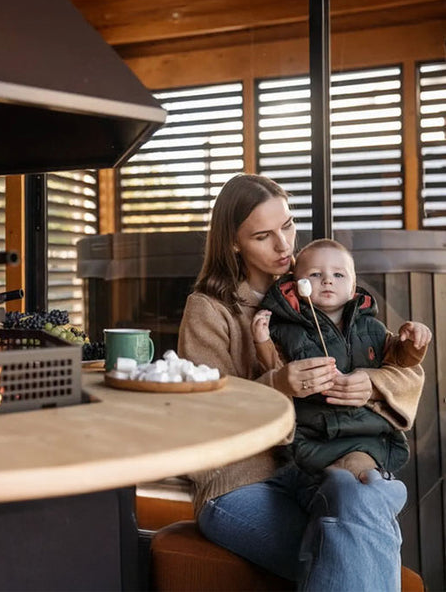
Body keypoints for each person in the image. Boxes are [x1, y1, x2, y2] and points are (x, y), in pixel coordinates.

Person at [177, 173, 425, 591]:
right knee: (361, 539)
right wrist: (277, 385)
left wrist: (372, 382)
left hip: (313, 473)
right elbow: (203, 412)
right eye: (263, 236)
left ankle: (370, 499)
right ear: (234, 242)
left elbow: (398, 363)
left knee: (357, 514)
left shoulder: (317, 284)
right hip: (239, 485)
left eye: (288, 225)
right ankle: (378, 498)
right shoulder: (208, 310)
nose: (283, 245)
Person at [251, 238, 431, 481]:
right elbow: (278, 371)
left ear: (353, 286)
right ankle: (378, 493)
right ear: (295, 286)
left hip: (365, 433)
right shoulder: (285, 331)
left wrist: (411, 344)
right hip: (314, 434)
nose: (327, 280)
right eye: (315, 274)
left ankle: (372, 490)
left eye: (338, 275)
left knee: (357, 474)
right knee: (339, 483)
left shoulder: (372, 328)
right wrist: (262, 342)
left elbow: (398, 360)